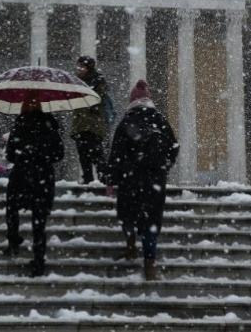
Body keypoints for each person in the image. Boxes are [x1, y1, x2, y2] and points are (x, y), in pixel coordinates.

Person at [102, 80, 179, 281]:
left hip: (131, 179)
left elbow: (116, 153)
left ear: (132, 101)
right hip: (154, 180)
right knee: (150, 222)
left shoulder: (127, 120)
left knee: (128, 216)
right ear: (149, 99)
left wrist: (112, 177)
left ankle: (130, 247)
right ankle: (149, 263)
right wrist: (164, 166)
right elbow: (174, 147)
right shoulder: (160, 120)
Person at [3, 98, 64, 277]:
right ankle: (38, 262)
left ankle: (13, 239)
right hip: (43, 177)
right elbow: (59, 153)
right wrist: (43, 156)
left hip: (22, 175)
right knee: (39, 222)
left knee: (12, 207)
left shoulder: (19, 125)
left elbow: (10, 155)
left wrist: (25, 156)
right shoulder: (50, 126)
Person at [71, 56, 109, 184]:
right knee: (83, 155)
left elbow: (98, 99)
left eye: (82, 67)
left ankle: (103, 179)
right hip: (80, 125)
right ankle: (87, 179)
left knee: (97, 154)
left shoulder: (97, 81)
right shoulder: (76, 81)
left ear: (89, 68)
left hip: (93, 125)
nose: (79, 69)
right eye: (78, 66)